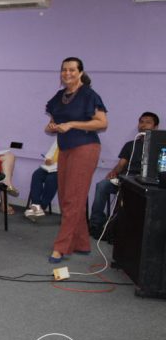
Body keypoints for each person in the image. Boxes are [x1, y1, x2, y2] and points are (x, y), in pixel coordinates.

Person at [45, 57, 107, 263]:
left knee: (73, 198)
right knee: (67, 198)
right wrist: (51, 127)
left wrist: (72, 124)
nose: (67, 73)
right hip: (66, 149)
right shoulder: (59, 96)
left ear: (80, 72)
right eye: (64, 70)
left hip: (85, 147)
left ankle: (61, 247)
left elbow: (102, 122)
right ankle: (81, 242)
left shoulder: (89, 95)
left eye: (72, 70)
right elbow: (52, 122)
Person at [89, 111, 159, 240]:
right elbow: (121, 164)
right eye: (141, 122)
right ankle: (96, 224)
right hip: (124, 179)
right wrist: (113, 172)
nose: (143, 125)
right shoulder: (130, 145)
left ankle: (123, 228)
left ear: (155, 127)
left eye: (148, 122)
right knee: (102, 186)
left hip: (142, 183)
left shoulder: (159, 147)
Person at [25, 138, 59, 220]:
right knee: (36, 175)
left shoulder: (74, 142)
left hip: (62, 169)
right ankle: (35, 205)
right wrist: (47, 160)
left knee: (51, 179)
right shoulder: (58, 138)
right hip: (50, 167)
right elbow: (49, 154)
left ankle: (42, 207)